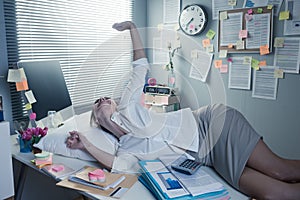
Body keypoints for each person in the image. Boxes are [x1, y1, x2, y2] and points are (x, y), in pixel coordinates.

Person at [66, 21, 300, 200]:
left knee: (281, 171)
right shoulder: (125, 150)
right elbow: (116, 165)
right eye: (98, 101)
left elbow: (140, 64)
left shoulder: (127, 105)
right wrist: (85, 143)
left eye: (107, 98)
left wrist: (131, 28)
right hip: (206, 156)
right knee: (275, 194)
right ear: (95, 119)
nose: (104, 99)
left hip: (211, 124)